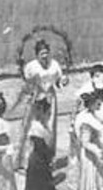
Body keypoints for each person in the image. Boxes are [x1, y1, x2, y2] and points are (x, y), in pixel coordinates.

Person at [17, 40, 66, 170]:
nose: (44, 56)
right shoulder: (31, 66)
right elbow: (27, 84)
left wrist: (63, 81)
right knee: (32, 126)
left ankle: (48, 158)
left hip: (50, 98)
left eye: (46, 53)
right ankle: (27, 160)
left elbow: (58, 81)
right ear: (37, 54)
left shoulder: (54, 64)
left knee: (50, 128)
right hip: (36, 98)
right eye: (41, 53)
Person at [18, 98, 61, 190]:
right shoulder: (36, 127)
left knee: (42, 189)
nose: (48, 115)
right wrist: (49, 157)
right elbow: (39, 146)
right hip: (37, 160)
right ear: (41, 112)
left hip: (41, 160)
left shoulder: (43, 125)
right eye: (47, 112)